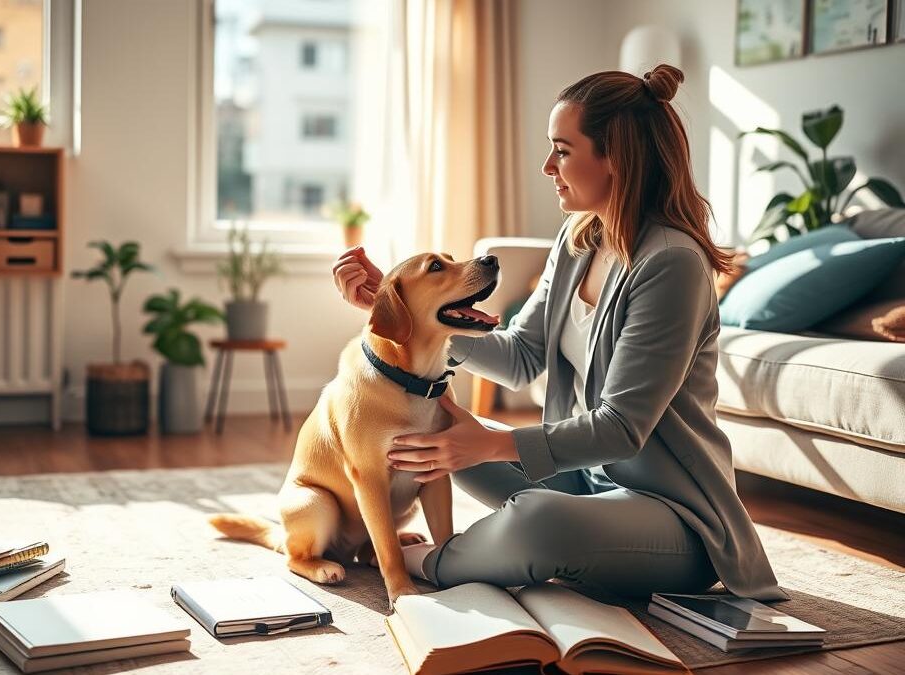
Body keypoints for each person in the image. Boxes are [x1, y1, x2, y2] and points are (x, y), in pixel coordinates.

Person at [332, 65, 785, 601]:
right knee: (435, 436)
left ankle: (428, 561)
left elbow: (621, 429)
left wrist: (494, 444)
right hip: (580, 478)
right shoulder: (579, 239)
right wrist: (408, 310)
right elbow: (522, 356)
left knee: (538, 520)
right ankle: (506, 548)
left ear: (614, 157)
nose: (548, 166)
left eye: (563, 150)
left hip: (673, 516)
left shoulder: (672, 264)